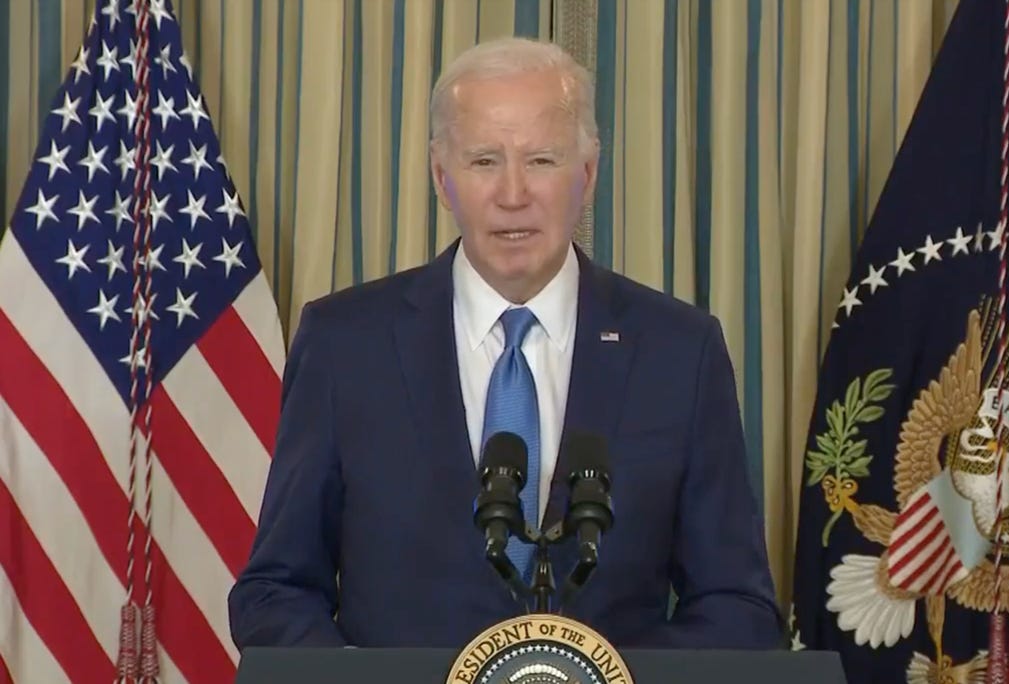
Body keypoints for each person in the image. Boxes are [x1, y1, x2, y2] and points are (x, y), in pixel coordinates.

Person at [228, 36, 783, 651]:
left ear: (588, 174)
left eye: (542, 160)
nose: (513, 193)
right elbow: (275, 591)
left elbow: (738, 606)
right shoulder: (345, 345)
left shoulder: (680, 351)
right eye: (485, 161)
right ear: (443, 179)